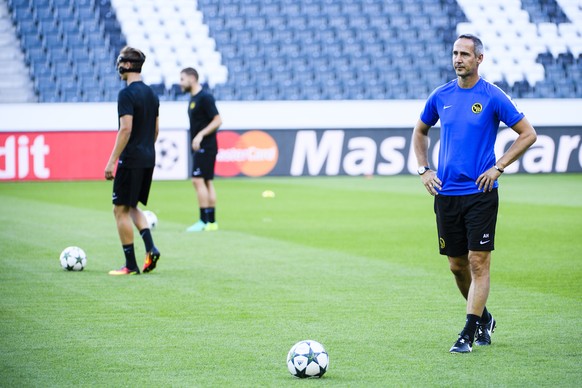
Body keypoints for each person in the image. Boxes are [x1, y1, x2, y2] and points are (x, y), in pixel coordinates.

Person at [412, 34, 537, 353]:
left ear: (479, 59)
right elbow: (420, 131)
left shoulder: (493, 96)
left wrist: (499, 166)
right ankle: (484, 318)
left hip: (481, 193)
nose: (458, 59)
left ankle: (467, 332)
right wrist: (424, 169)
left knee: (478, 262)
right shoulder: (441, 96)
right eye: (455, 53)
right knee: (457, 265)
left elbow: (527, 134)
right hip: (446, 194)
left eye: (465, 54)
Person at [105, 46, 161, 275]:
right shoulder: (152, 94)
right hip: (148, 156)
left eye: (120, 61)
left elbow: (125, 129)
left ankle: (130, 264)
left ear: (127, 65)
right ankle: (151, 247)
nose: (118, 65)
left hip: (132, 158)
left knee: (119, 210)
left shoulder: (126, 94)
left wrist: (112, 161)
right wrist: (146, 147)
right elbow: (156, 130)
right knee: (132, 207)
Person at [179, 67, 223, 232]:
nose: (180, 83)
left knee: (197, 180)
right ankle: (211, 222)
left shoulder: (205, 97)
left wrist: (200, 136)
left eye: (182, 79)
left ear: (192, 78)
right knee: (206, 181)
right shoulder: (193, 98)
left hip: (206, 146)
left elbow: (218, 120)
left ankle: (203, 221)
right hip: (204, 146)